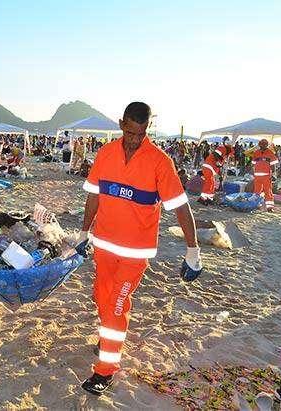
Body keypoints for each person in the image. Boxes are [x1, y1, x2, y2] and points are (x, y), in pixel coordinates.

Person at [79, 102, 201, 395]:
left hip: (135, 253)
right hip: (104, 246)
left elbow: (180, 207)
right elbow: (94, 197)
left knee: (118, 306)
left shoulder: (159, 161)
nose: (136, 139)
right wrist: (84, 231)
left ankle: (105, 370)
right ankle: (109, 333)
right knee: (102, 298)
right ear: (122, 124)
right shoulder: (105, 154)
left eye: (142, 133)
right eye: (131, 132)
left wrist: (193, 249)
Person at [252, 139, 279, 211]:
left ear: (267, 145)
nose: (263, 145)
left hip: (266, 176)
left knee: (268, 191)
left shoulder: (270, 152)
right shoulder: (256, 152)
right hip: (257, 176)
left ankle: (269, 207)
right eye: (261, 144)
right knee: (256, 191)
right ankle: (256, 205)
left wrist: (273, 174)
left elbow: (273, 165)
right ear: (259, 144)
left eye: (264, 144)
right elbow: (253, 164)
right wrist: (252, 173)